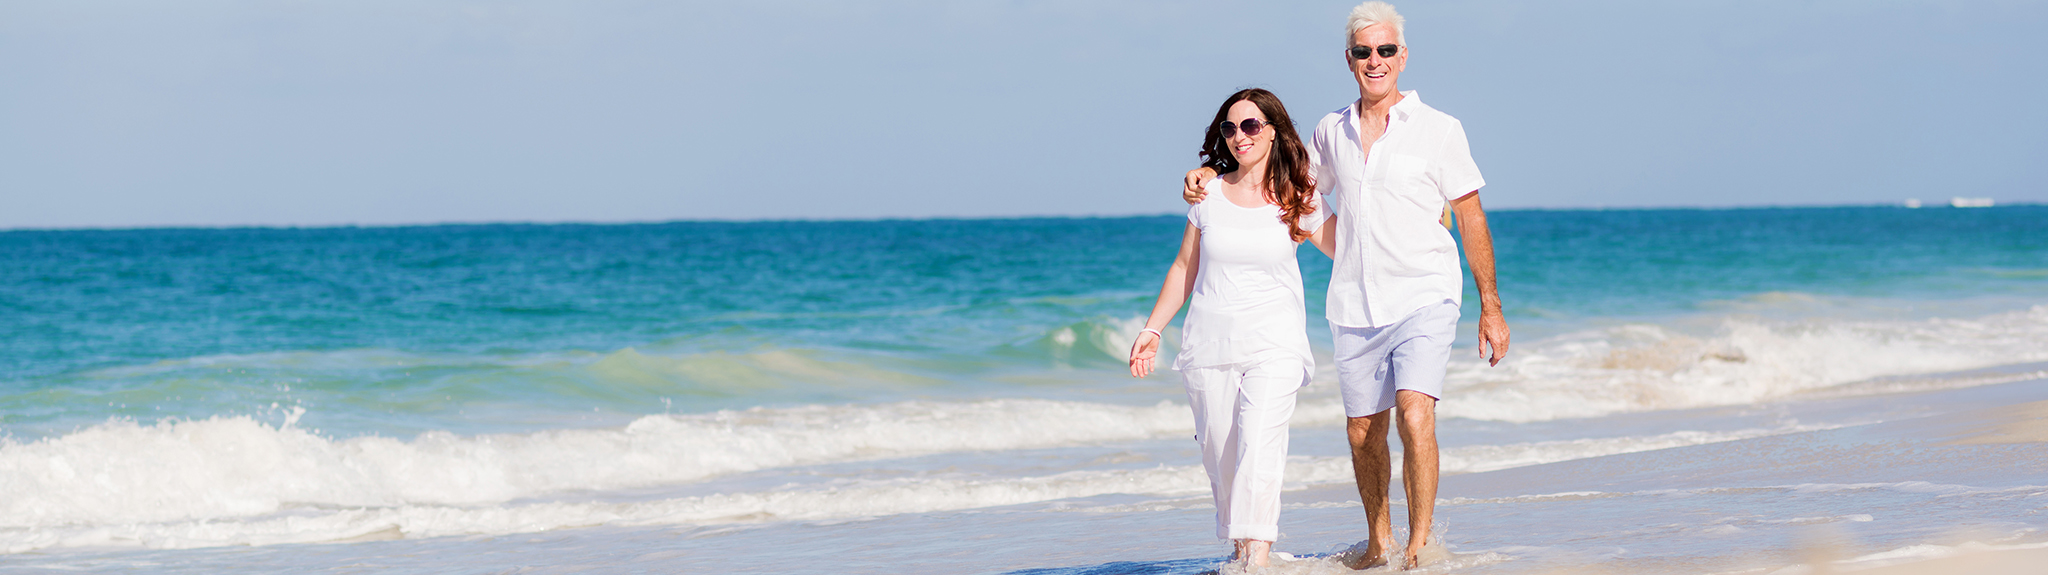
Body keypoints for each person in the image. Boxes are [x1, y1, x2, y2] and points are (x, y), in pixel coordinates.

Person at [1180, 2, 1511, 570]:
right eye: (1364, 51)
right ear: (1350, 60)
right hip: (1355, 300)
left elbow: (1471, 214)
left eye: (1386, 50)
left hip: (1427, 291)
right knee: (1363, 432)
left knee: (1415, 412)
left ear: (1403, 57)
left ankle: (1416, 548)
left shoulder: (1439, 130)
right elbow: (1281, 182)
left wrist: (1491, 307)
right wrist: (1212, 172)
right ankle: (1379, 542)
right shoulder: (1329, 131)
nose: (1375, 60)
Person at [1128, 88, 1332, 569]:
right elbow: (1184, 268)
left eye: (1250, 126)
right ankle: (1242, 553)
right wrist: (1153, 330)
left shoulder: (1297, 196)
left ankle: (1256, 559)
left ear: (1274, 131)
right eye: (1229, 127)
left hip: (1275, 346)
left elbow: (1347, 246)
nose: (1239, 136)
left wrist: (1414, 225)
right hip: (1210, 346)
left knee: (1260, 444)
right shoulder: (1207, 194)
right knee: (1222, 456)